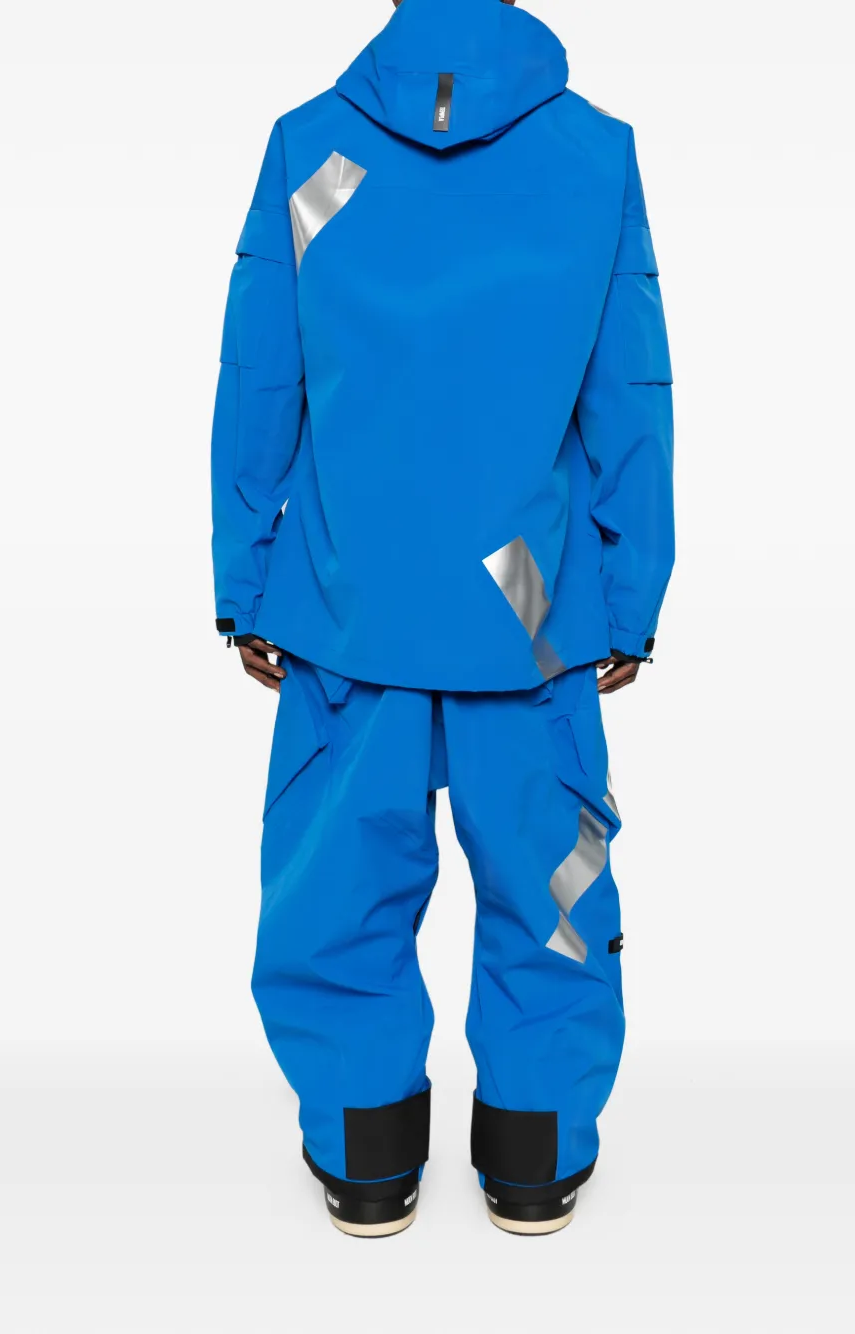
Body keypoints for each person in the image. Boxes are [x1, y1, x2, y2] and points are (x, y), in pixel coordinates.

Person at [211, 0, 674, 1237]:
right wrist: (629, 593)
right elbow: (628, 390)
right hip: (525, 597)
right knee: (553, 890)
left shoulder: (317, 152)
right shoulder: (592, 156)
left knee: (337, 893)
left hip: (346, 586)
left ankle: (366, 1157)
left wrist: (246, 576)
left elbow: (263, 371)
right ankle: (534, 1157)